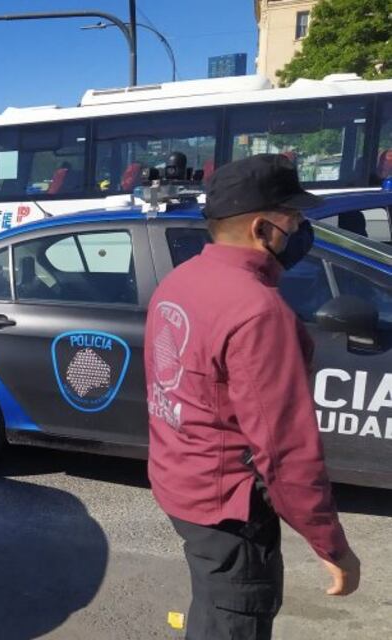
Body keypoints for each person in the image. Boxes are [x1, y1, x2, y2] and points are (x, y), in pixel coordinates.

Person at [144, 154, 360, 640]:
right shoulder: (258, 311)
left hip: (183, 484)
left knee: (215, 605)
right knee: (235, 615)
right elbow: (286, 453)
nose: (303, 229)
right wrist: (333, 548)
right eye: (296, 219)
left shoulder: (180, 281)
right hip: (230, 506)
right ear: (264, 229)